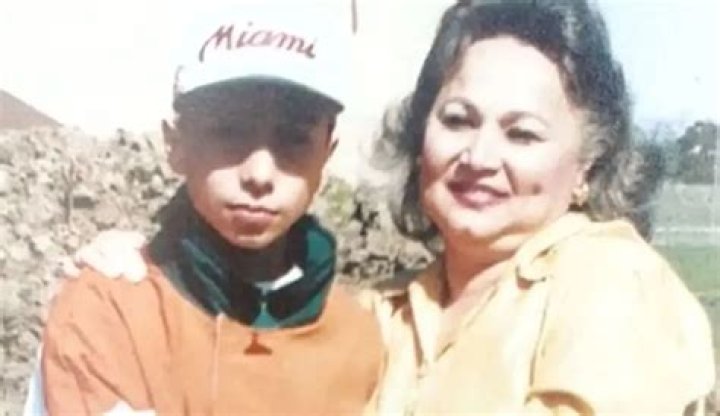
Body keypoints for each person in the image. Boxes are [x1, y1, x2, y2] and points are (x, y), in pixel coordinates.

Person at [57, 0, 716, 414]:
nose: (479, 156)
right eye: (458, 120)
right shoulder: (382, 313)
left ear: (587, 167)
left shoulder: (610, 283)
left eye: (522, 134)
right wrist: (150, 255)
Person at [37, 1, 382, 414]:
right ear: (176, 144)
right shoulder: (109, 312)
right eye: (228, 131)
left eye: (293, 138)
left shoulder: (361, 340)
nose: (259, 173)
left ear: (326, 153)